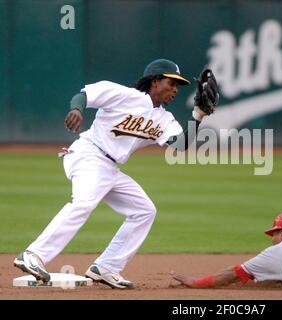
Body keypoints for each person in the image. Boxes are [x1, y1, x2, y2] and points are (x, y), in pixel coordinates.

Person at [13, 58, 218, 289]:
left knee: (144, 210)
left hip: (109, 168)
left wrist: (198, 115)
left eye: (178, 85)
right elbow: (84, 96)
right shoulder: (123, 95)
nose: (175, 89)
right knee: (84, 203)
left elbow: (180, 144)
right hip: (88, 154)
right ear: (154, 81)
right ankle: (33, 255)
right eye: (171, 83)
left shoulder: (164, 119)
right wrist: (77, 110)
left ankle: (106, 267)